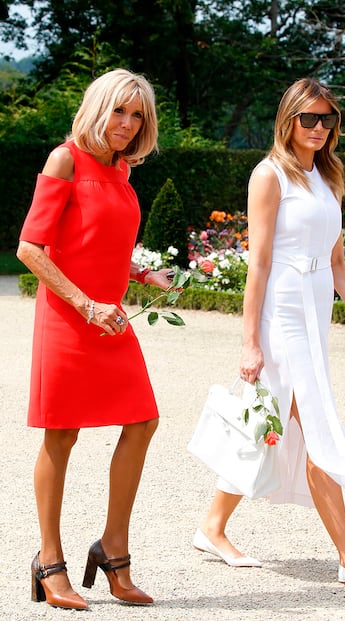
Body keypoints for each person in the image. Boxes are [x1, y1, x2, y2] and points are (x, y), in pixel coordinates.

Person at [192, 78, 345, 586]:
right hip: (281, 315)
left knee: (271, 425)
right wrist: (249, 341)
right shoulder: (269, 176)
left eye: (327, 118)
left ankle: (212, 526)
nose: (318, 128)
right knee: (315, 426)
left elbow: (337, 262)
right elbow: (258, 264)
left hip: (314, 314)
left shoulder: (330, 176)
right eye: (308, 118)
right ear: (288, 120)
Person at [17, 68, 173, 610]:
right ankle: (49, 560)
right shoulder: (64, 159)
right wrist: (83, 303)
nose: (127, 124)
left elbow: (93, 243)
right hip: (69, 317)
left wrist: (140, 274)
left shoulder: (123, 170)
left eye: (138, 115)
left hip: (110, 319)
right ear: (97, 107)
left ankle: (113, 548)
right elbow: (31, 247)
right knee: (62, 436)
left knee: (143, 420)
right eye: (119, 111)